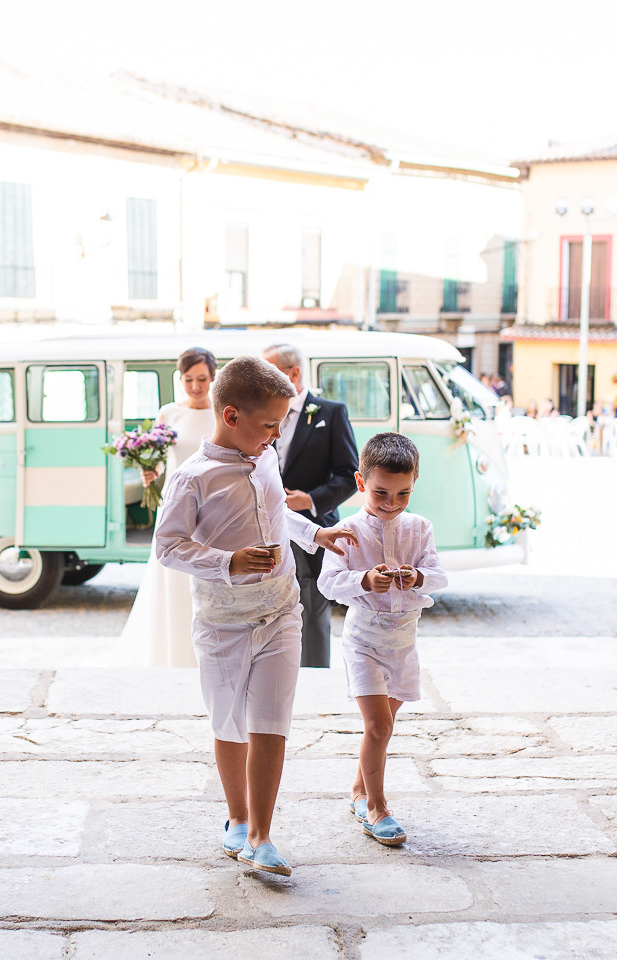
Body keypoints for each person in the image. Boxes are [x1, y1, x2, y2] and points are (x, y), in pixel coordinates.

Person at [154, 356, 358, 877]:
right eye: (269, 424)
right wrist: (228, 562)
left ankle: (264, 835)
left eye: (280, 424)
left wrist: (317, 534)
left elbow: (278, 512)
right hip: (223, 623)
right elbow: (167, 547)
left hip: (280, 610)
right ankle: (238, 819)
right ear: (230, 416)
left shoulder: (264, 458)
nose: (275, 434)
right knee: (229, 724)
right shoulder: (192, 479)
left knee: (271, 722)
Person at [317, 432, 447, 846]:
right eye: (381, 493)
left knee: (385, 726)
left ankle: (358, 791)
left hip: (404, 643)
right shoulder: (347, 530)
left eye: (403, 493)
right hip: (363, 641)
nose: (391, 503)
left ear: (415, 484)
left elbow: (440, 575)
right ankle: (378, 808)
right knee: (377, 725)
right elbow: (328, 584)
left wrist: (418, 576)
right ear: (360, 483)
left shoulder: (420, 528)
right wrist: (364, 580)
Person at [261, 343, 359, 668]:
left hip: (315, 527)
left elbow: (349, 475)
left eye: (270, 370)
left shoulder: (330, 413)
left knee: (314, 610)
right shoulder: (261, 412)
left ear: (294, 373)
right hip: (269, 528)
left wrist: (312, 499)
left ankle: (315, 678)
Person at [120, 347, 218, 667]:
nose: (194, 386)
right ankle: (171, 651)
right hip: (175, 506)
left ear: (213, 377)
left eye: (201, 378)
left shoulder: (222, 412)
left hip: (212, 508)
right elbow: (160, 461)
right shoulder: (169, 412)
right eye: (188, 379)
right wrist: (149, 471)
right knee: (171, 577)